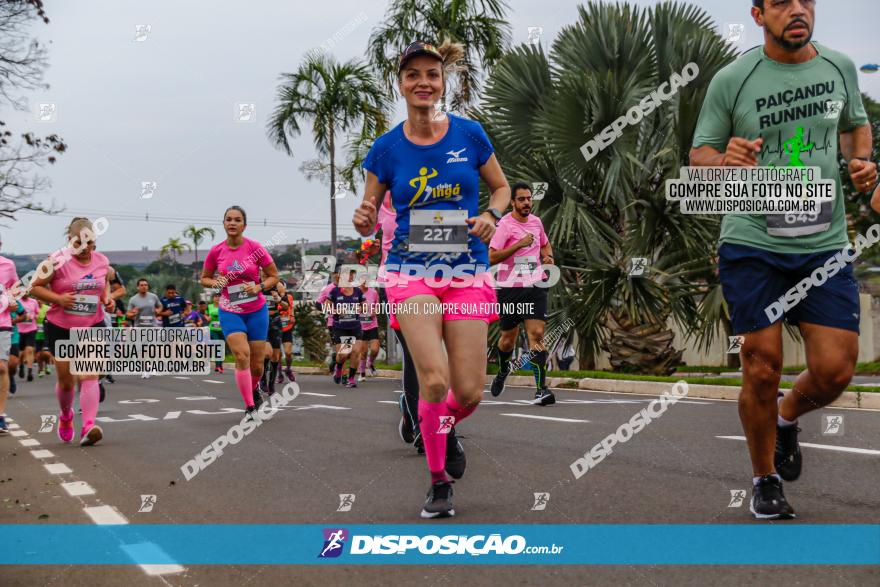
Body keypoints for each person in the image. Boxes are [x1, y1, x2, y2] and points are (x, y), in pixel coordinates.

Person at [690, 0, 876, 519]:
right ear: (757, 14)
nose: (796, 10)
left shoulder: (838, 66)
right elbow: (698, 156)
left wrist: (861, 161)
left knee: (836, 370)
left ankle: (789, 417)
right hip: (753, 240)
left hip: (823, 239)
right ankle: (764, 476)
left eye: (805, 1)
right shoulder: (734, 78)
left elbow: (856, 125)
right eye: (780, 3)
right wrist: (723, 160)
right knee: (763, 366)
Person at [354, 40, 511, 518]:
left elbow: (502, 188)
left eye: (432, 74)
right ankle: (439, 480)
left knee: (467, 393)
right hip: (410, 272)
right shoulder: (386, 148)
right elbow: (368, 210)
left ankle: (438, 427)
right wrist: (363, 217)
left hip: (466, 271)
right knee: (435, 382)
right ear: (400, 84)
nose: (423, 82)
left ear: (443, 83)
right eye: (413, 75)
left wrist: (491, 214)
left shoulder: (469, 134)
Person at [30, 217, 115, 446]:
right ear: (70, 240)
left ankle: (88, 426)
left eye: (90, 243)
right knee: (66, 382)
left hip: (92, 325)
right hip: (60, 327)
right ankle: (66, 416)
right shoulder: (56, 261)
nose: (86, 248)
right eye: (80, 243)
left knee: (90, 375)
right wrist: (58, 298)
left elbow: (104, 281)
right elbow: (33, 287)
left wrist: (106, 298)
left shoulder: (101, 261)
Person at [200, 206, 279, 417]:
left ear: (244, 225)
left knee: (257, 366)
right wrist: (216, 282)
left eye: (237, 220)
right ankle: (250, 406)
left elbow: (274, 276)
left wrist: (259, 286)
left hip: (256, 310)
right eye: (228, 219)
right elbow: (204, 278)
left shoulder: (255, 248)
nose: (232, 223)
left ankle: (254, 389)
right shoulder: (216, 251)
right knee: (241, 356)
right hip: (230, 309)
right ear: (224, 223)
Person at [488, 182, 556, 405]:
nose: (527, 203)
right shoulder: (504, 225)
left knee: (536, 334)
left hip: (535, 285)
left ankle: (541, 390)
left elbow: (545, 245)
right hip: (510, 289)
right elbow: (491, 257)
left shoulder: (536, 222)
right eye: (522, 199)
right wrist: (518, 245)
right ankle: (503, 371)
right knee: (508, 340)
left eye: (529, 199)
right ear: (512, 202)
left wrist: (548, 258)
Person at [325, 268, 365, 389]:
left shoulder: (357, 291)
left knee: (356, 352)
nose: (351, 277)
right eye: (348, 275)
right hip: (340, 327)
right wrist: (336, 310)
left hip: (355, 326)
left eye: (352, 275)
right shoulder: (335, 291)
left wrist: (360, 309)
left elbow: (364, 306)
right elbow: (327, 307)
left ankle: (351, 379)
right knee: (343, 354)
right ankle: (338, 368)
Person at [126, 278, 163, 379]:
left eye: (146, 285)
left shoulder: (153, 297)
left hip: (152, 327)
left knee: (153, 349)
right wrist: (133, 313)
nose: (144, 287)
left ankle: (152, 366)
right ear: (138, 287)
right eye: (142, 285)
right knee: (140, 350)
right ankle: (145, 369)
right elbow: (128, 314)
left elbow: (160, 306)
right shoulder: (133, 299)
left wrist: (157, 311)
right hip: (139, 327)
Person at [0, 241, 19, 433]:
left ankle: (0, 415)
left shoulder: (8, 265)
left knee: (1, 368)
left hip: (2, 323)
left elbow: (15, 289)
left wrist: (13, 302)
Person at [356, 282, 381, 381]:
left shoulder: (373, 292)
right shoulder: (355, 292)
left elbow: (377, 306)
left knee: (375, 349)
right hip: (360, 326)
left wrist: (375, 312)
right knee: (364, 352)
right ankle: (362, 374)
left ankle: (370, 363)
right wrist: (360, 310)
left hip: (372, 324)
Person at [17, 295, 39, 382]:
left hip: (31, 329)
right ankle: (21, 365)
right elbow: (14, 313)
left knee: (30, 350)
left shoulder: (34, 301)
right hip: (19, 330)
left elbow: (37, 313)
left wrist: (35, 316)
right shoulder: (17, 301)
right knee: (21, 352)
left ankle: (30, 372)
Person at [277, 286, 296, 382]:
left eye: (281, 286)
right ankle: (279, 373)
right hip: (276, 328)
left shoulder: (289, 297)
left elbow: (291, 307)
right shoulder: (273, 297)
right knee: (278, 354)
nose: (280, 289)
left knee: (288, 352)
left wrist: (292, 315)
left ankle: (288, 369)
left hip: (287, 327)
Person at [207, 293, 225, 373]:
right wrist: (208, 318)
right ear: (213, 298)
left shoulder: (224, 306)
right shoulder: (209, 306)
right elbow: (206, 315)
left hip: (223, 329)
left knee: (221, 347)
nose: (217, 298)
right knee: (217, 345)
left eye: (219, 296)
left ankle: (220, 365)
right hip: (213, 329)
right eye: (216, 296)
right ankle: (217, 366)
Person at [35, 301, 52, 378]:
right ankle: (41, 369)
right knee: (38, 354)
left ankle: (47, 365)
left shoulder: (48, 308)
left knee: (46, 353)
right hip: (36, 334)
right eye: (37, 299)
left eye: (40, 299)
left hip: (46, 334)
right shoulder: (34, 307)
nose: (39, 300)